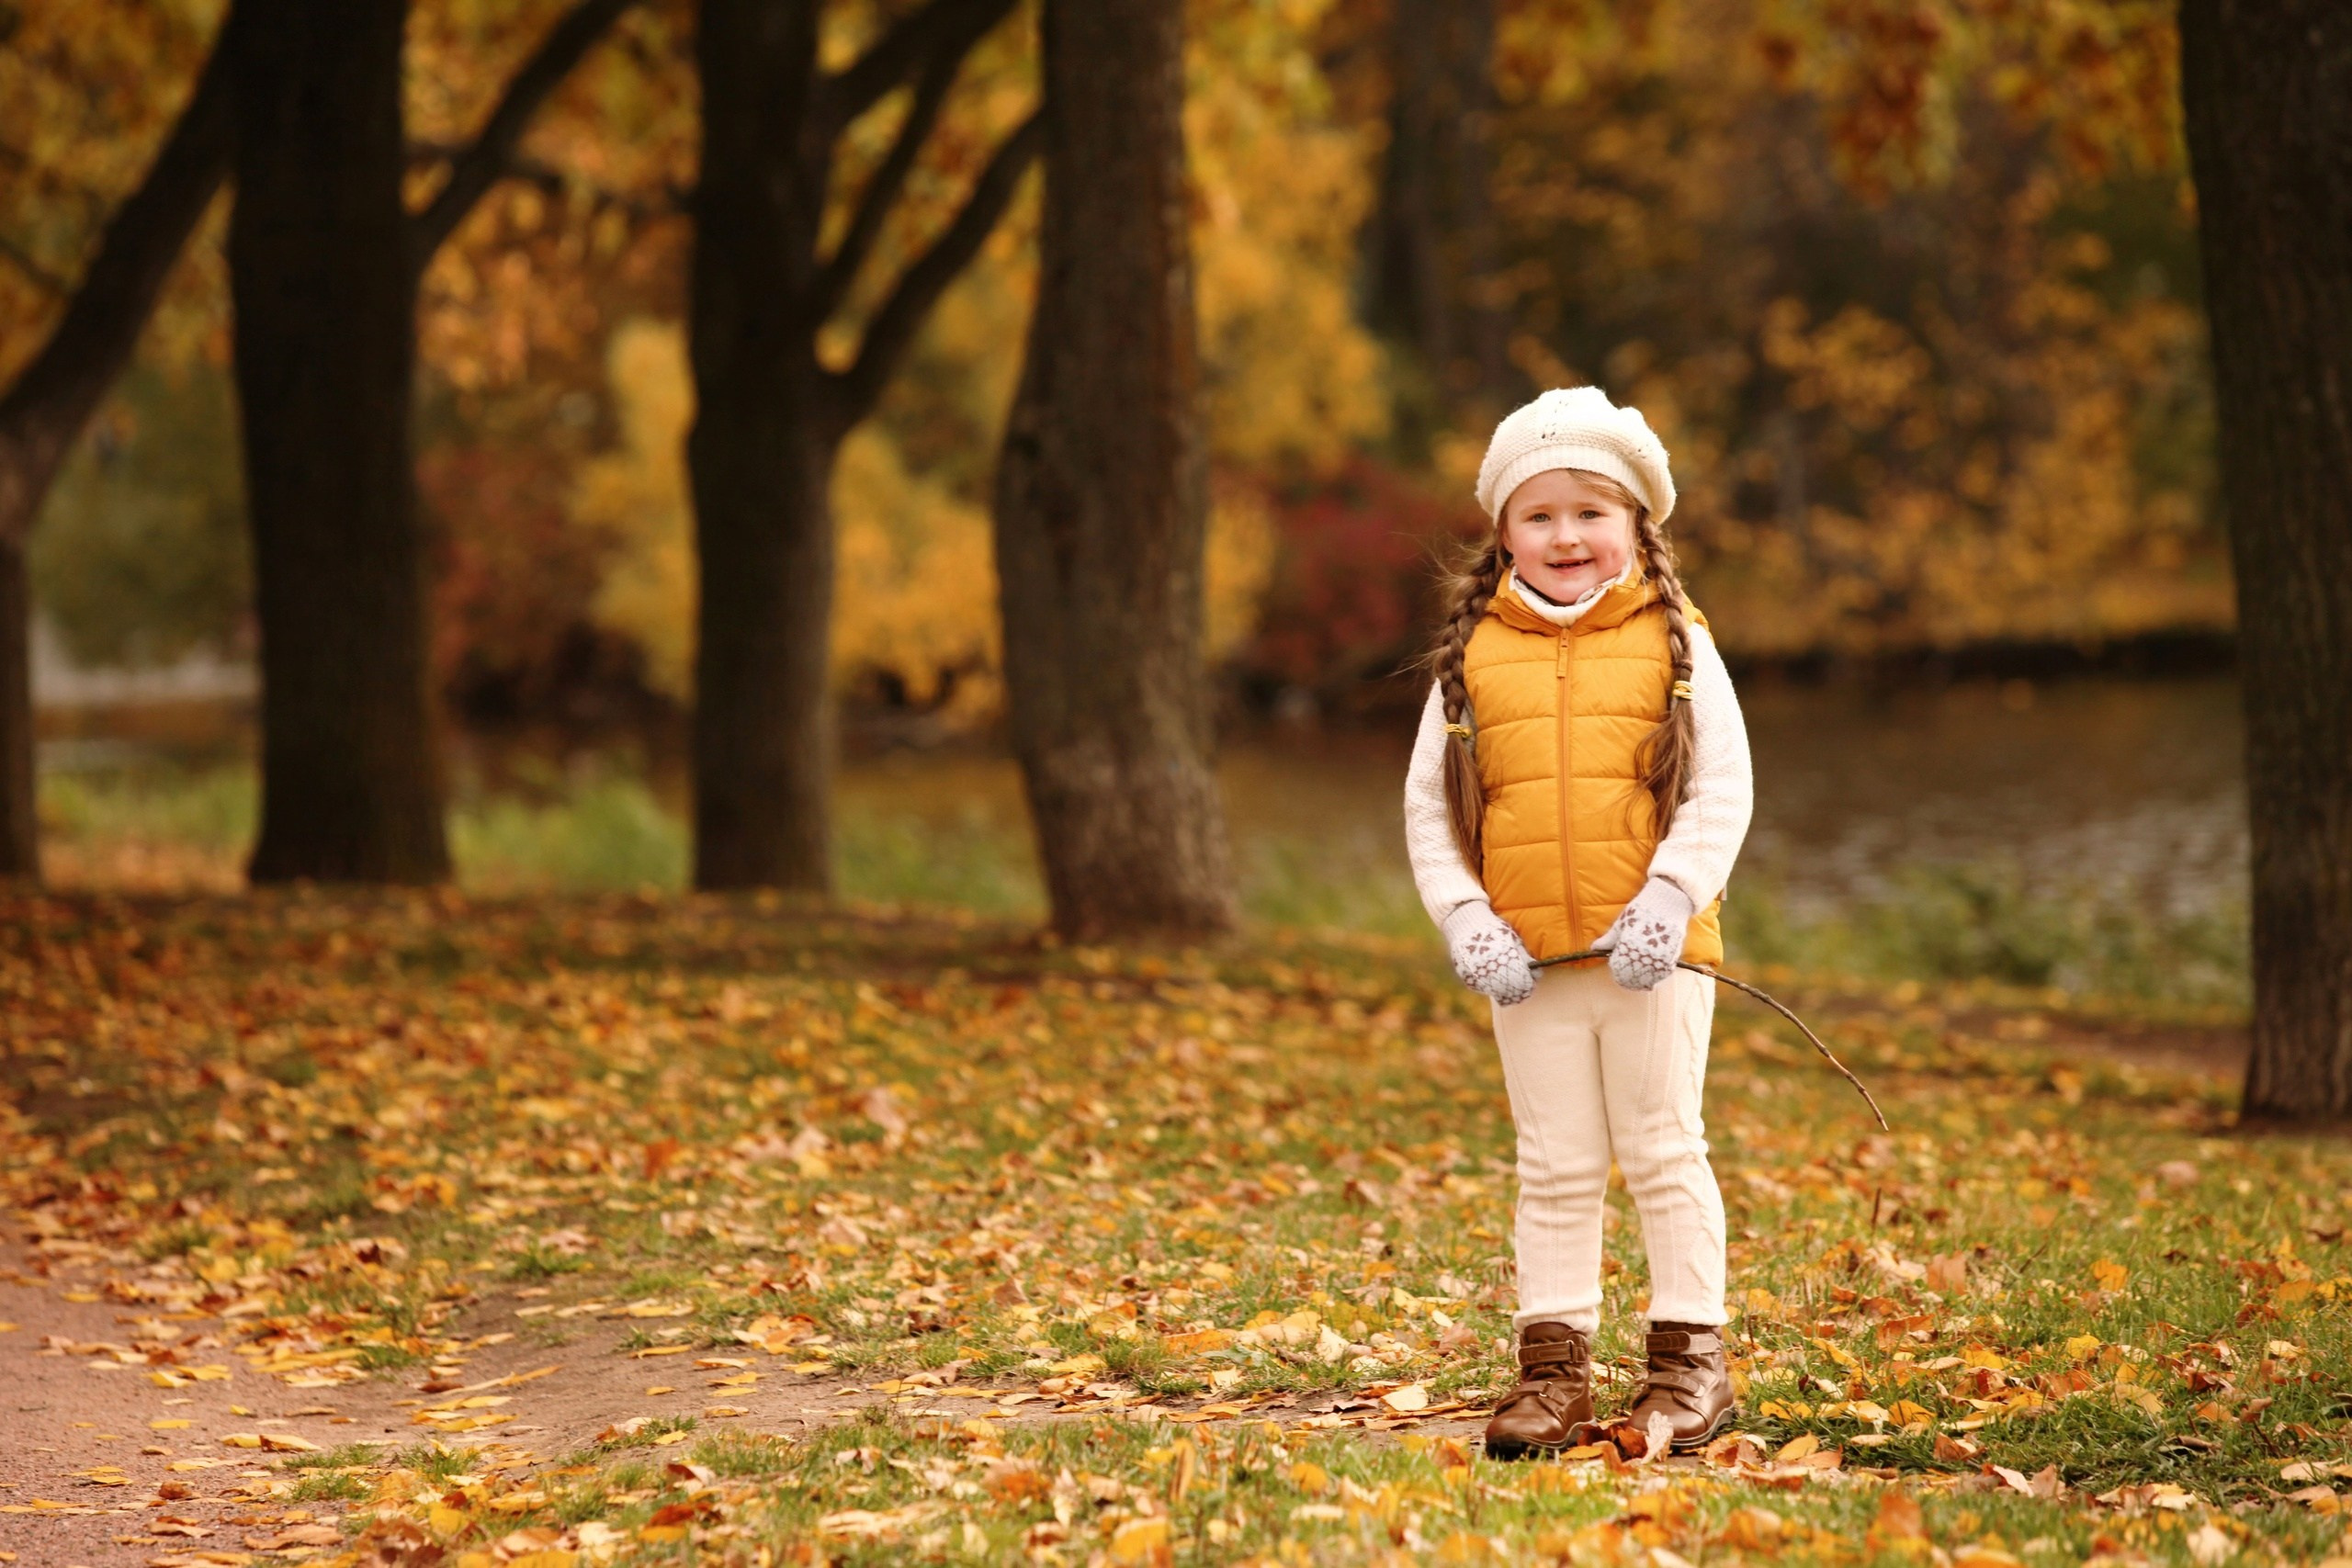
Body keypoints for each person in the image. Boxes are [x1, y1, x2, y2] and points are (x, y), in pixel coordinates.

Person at [1402, 385, 1753, 1459]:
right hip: (1530, 963)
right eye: (1539, 515)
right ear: (1503, 529)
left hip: (1652, 959)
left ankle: (1689, 1370)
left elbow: (1721, 791)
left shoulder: (1677, 643)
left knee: (1659, 1149)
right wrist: (1467, 920)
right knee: (1552, 1163)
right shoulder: (1474, 657)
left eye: (1589, 513)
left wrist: (1670, 896)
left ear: (1636, 523)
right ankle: (1550, 1377)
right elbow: (1430, 805)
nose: (1565, 536)